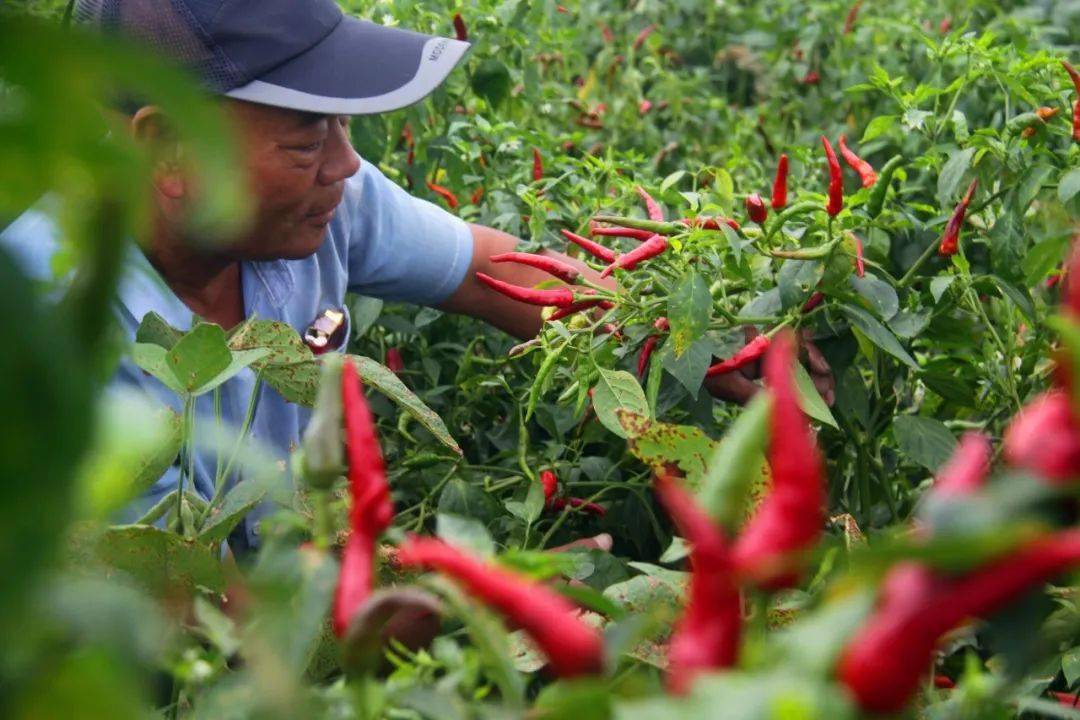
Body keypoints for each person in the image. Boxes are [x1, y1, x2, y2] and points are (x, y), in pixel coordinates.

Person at [1, 0, 833, 549]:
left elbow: (494, 273)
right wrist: (477, 602)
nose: (345, 161)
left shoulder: (314, 206)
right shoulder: (45, 333)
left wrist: (694, 342)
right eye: (304, 135)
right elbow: (177, 611)